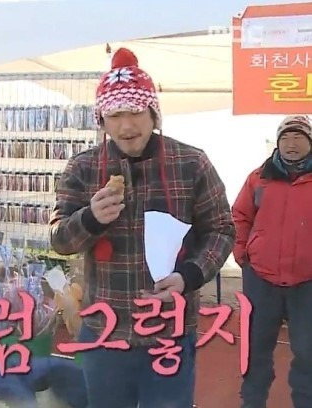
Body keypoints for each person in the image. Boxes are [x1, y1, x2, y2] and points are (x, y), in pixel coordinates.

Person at [49, 48, 235, 407]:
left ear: (153, 114)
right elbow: (60, 240)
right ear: (102, 120)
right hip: (105, 331)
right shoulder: (83, 168)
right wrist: (90, 218)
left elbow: (222, 229)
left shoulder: (191, 163)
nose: (126, 126)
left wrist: (190, 275)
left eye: (135, 112)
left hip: (169, 330)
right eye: (115, 115)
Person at [232, 115, 312, 408]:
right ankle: (252, 402)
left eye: (299, 137)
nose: (292, 144)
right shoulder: (259, 178)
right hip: (261, 279)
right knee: (256, 350)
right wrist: (242, 252)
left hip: (307, 282)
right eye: (285, 138)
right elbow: (240, 216)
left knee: (308, 352)